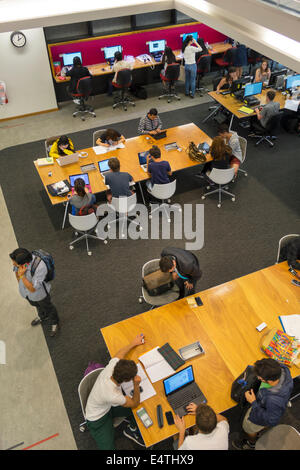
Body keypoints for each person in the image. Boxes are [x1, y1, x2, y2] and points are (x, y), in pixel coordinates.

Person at [85, 333, 146, 449]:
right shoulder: (114, 395)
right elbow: (134, 402)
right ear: (126, 380)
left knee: (138, 411)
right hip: (97, 419)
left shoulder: (113, 366)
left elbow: (120, 354)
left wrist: (133, 343)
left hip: (107, 405)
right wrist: (136, 385)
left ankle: (132, 430)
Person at [232, 358, 293, 450]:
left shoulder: (273, 400)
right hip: (272, 402)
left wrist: (253, 402)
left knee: (248, 427)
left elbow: (271, 420)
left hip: (263, 411)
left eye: (259, 377)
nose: (257, 377)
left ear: (268, 381)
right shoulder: (282, 369)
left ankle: (251, 442)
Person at [9, 248, 60, 337]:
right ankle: (42, 316)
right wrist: (20, 280)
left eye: (14, 263)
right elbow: (16, 273)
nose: (13, 264)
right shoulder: (19, 262)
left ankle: (55, 322)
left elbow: (33, 289)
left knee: (48, 307)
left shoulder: (39, 267)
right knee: (36, 305)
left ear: (25, 263)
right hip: (26, 292)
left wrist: (22, 276)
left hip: (40, 294)